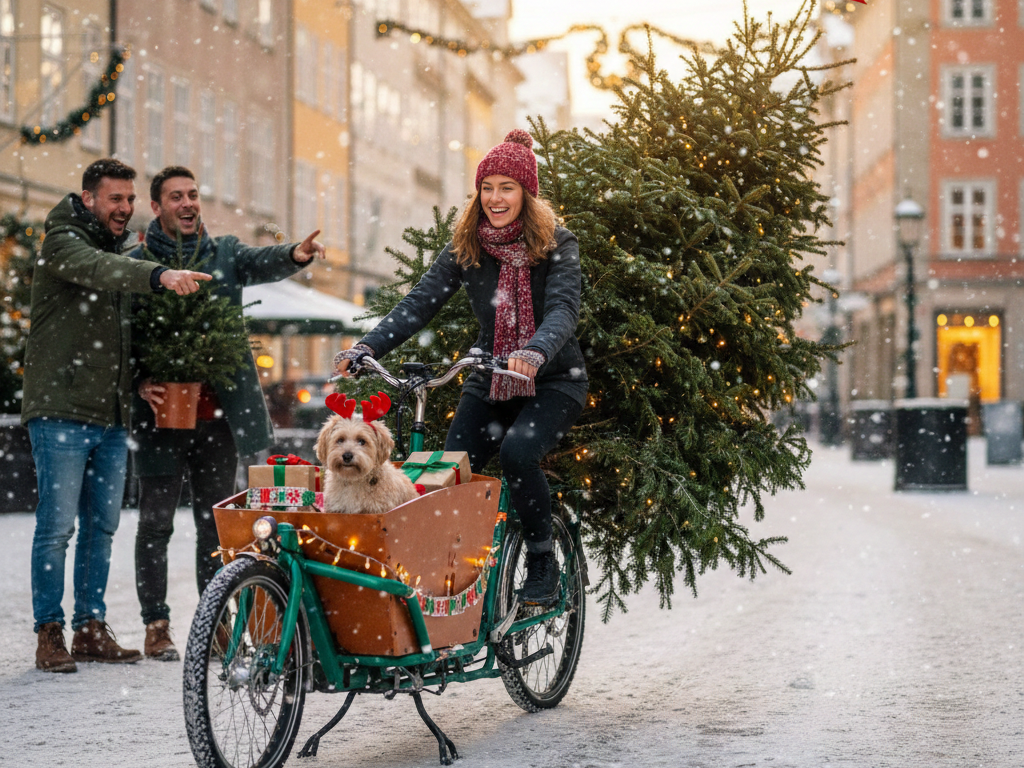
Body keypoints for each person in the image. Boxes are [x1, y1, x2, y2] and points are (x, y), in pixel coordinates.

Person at [335, 129, 587, 605]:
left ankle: (542, 564)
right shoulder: (467, 245)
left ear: (526, 194)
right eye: (487, 187)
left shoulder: (557, 244)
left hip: (553, 381)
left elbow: (562, 309)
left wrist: (534, 353)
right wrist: (367, 347)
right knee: (449, 471)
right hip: (490, 377)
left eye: (507, 187)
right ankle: (455, 576)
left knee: (518, 454)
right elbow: (419, 303)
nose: (495, 198)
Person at [23, 158, 213, 673]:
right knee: (57, 527)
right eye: (115, 199)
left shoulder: (114, 250)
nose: (125, 209)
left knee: (101, 526)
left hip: (110, 415)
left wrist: (135, 382)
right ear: (89, 199)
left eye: (129, 200)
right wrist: (158, 273)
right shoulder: (64, 242)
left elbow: (115, 335)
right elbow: (101, 270)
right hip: (61, 410)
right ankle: (49, 632)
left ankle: (89, 627)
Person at [132, 166, 326, 660]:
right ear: (157, 207)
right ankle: (156, 624)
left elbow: (263, 260)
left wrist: (295, 254)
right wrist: (139, 381)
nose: (188, 203)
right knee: (155, 522)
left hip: (217, 422)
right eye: (176, 196)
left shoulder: (225, 255)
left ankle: (214, 621)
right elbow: (123, 336)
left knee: (215, 525)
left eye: (193, 194)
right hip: (160, 419)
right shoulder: (137, 265)